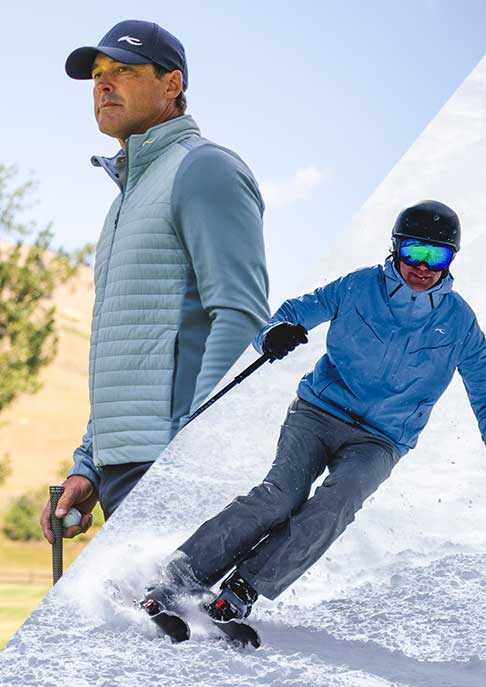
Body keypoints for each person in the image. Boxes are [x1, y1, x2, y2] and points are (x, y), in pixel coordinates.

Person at [143, 200, 486, 624]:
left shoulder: (460, 325)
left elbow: (484, 391)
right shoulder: (358, 287)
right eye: (414, 251)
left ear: (453, 259)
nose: (423, 266)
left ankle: (243, 586)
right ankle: (179, 578)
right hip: (319, 412)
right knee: (280, 496)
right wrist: (274, 334)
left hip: (381, 439)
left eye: (438, 255)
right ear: (396, 248)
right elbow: (288, 314)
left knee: (337, 503)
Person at [41, 19, 269, 542]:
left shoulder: (204, 169)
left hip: (170, 465)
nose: (103, 85)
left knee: (183, 622)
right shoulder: (124, 202)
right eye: (97, 75)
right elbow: (128, 352)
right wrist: (89, 465)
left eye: (123, 69)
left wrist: (192, 455)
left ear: (172, 85)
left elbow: (241, 316)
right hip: (127, 468)